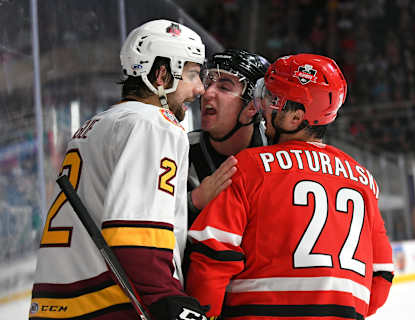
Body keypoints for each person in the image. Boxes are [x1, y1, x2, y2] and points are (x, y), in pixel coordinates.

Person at [186, 54, 394, 319]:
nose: (263, 106)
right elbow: (382, 273)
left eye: (273, 100)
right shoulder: (363, 179)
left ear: (295, 118)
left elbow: (212, 255)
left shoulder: (249, 166)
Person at [30, 20, 207, 320]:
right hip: (107, 306)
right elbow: (137, 239)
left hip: (55, 305)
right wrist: (167, 300)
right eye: (192, 74)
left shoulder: (94, 126)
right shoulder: (155, 124)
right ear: (161, 74)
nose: (200, 88)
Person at [187, 49, 270, 224]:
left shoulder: (276, 154)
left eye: (224, 87)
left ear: (252, 107)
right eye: (207, 83)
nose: (206, 93)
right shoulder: (181, 148)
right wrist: (193, 200)